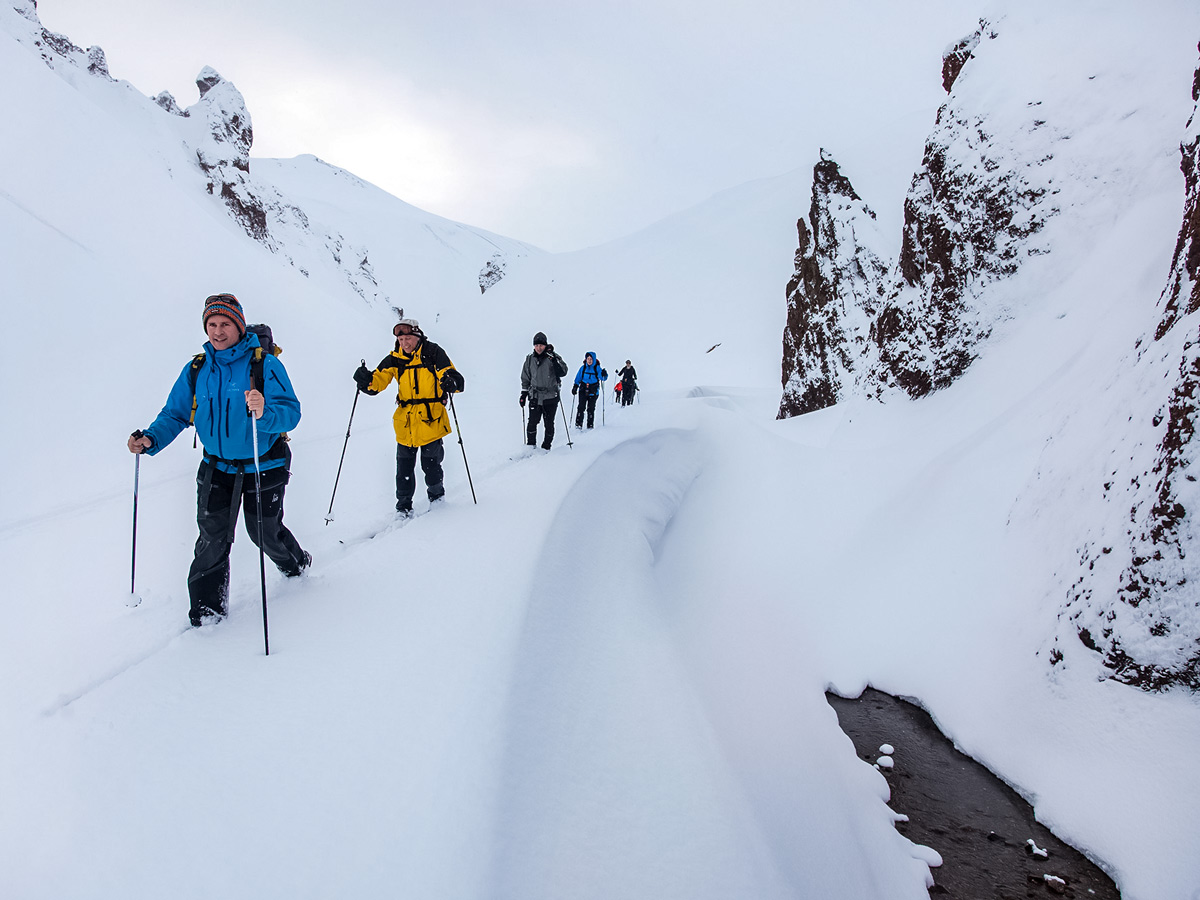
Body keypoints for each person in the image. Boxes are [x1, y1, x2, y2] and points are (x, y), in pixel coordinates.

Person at [128, 293, 310, 627]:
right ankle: (207, 612)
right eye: (212, 324)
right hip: (216, 466)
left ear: (239, 326)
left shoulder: (264, 364)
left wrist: (265, 412)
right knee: (211, 538)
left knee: (263, 533)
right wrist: (151, 439)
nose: (218, 331)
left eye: (225, 323)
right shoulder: (198, 368)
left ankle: (296, 564)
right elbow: (176, 413)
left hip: (263, 463)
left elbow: (290, 413)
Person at [354, 318, 465, 517]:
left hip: (431, 420)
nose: (404, 343)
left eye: (408, 339)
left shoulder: (433, 353)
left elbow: (451, 375)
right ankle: (403, 507)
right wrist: (366, 381)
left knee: (431, 464)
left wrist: (452, 383)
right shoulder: (395, 359)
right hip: (405, 423)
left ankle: (437, 499)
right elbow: (378, 381)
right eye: (401, 339)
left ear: (417, 337)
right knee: (403, 468)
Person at [520, 332, 568, 449]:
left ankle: (546, 447)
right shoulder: (529, 359)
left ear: (545, 345)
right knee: (532, 423)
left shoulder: (552, 357)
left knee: (549, 424)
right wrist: (523, 394)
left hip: (551, 396)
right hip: (535, 396)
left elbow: (563, 371)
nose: (539, 348)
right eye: (536, 345)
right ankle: (530, 447)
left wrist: (554, 360)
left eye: (541, 345)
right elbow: (525, 377)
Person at [571, 351, 607, 429]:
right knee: (581, 407)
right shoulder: (583, 368)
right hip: (583, 390)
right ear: (586, 359)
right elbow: (578, 378)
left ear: (594, 359)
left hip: (593, 391)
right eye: (588, 359)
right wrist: (575, 386)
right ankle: (578, 424)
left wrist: (604, 374)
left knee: (591, 408)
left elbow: (603, 378)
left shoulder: (597, 368)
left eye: (591, 359)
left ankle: (590, 425)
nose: (589, 361)